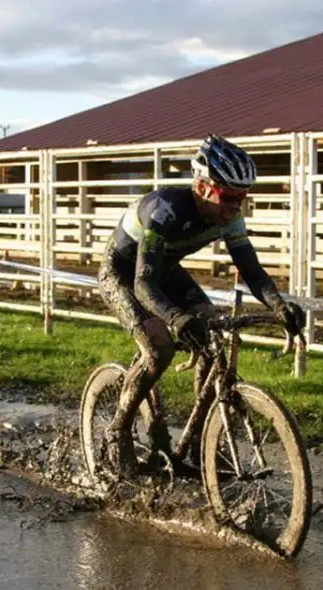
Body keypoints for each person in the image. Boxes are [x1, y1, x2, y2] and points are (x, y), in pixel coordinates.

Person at [98, 134, 304, 473]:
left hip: (164, 271)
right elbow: (143, 283)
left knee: (212, 336)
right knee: (159, 346)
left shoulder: (229, 217)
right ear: (203, 186)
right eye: (228, 197)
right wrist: (176, 319)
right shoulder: (164, 209)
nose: (235, 207)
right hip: (123, 273)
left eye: (242, 198)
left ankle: (198, 442)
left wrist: (278, 305)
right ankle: (117, 429)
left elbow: (251, 270)